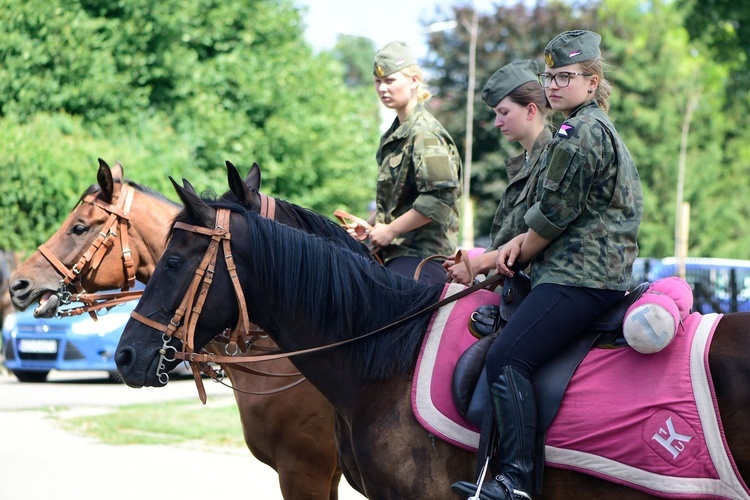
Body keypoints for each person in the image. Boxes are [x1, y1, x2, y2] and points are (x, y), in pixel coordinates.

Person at [451, 30, 643, 499]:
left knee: (506, 358)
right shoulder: (581, 127)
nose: (554, 84)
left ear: (593, 82)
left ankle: (515, 480)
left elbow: (554, 215)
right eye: (550, 76)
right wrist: (513, 246)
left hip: (580, 276)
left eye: (566, 76)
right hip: (580, 273)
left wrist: (512, 250)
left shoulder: (580, 133)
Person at [348, 40, 462, 284]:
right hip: (392, 253)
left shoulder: (425, 133)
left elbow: (439, 200)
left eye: (390, 80)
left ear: (414, 80)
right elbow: (395, 205)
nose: (382, 88)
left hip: (425, 256)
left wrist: (390, 230)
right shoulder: (394, 134)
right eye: (378, 81)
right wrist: (369, 226)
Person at [444, 60, 552, 284]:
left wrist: (477, 265)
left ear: (531, 110)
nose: (497, 122)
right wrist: (469, 265)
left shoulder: (551, 160)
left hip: (530, 288)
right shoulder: (526, 161)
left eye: (503, 112)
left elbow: (539, 236)